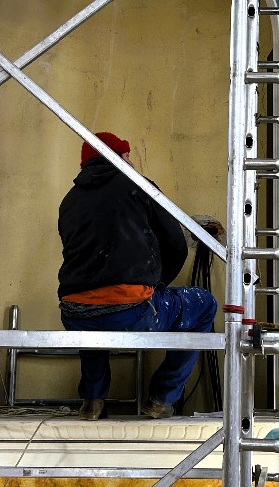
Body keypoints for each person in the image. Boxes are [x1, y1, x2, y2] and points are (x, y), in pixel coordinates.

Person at [57, 131, 218, 421]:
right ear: (118, 156)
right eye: (127, 155)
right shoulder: (138, 185)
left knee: (92, 317)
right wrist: (157, 287)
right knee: (204, 303)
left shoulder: (69, 200)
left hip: (73, 312)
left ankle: (92, 399)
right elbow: (176, 245)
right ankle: (161, 399)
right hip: (130, 311)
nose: (131, 161)